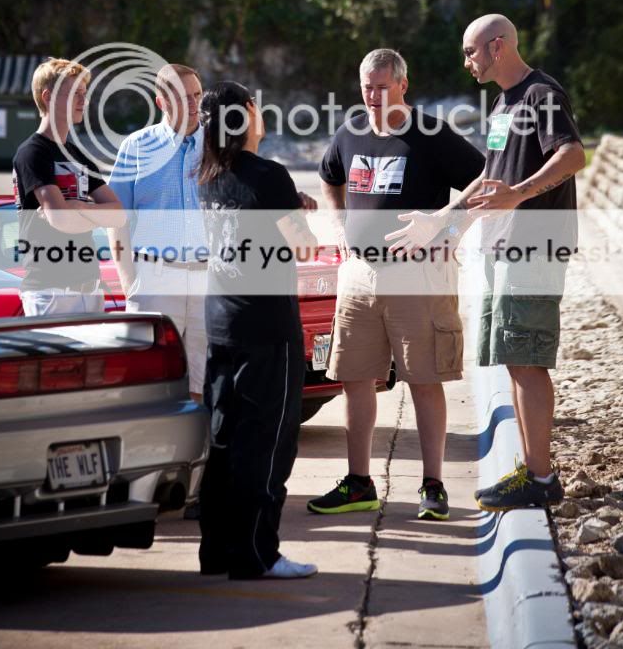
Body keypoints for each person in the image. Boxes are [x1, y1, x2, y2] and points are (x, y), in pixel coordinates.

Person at [388, 15, 585, 511]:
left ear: (497, 47)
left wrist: (518, 195)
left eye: (472, 51)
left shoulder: (542, 94)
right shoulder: (503, 103)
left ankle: (541, 478)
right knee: (515, 358)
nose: (466, 61)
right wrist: (443, 222)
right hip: (503, 247)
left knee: (528, 359)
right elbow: (488, 178)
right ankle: (531, 471)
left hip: (533, 245)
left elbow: (572, 156)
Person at [306, 49, 485, 521]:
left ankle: (433, 486)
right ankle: (359, 483)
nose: (373, 95)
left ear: (404, 84)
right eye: (366, 86)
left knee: (425, 379)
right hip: (359, 276)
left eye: (382, 86)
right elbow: (330, 176)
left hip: (417, 277)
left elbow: (486, 182)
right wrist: (340, 225)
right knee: (354, 378)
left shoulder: (431, 134)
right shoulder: (352, 130)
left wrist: (448, 228)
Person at [196, 81, 318, 580]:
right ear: (248, 114)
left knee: (224, 438)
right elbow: (303, 247)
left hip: (221, 319)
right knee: (266, 442)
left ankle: (218, 551)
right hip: (267, 325)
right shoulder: (270, 175)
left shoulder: (207, 174)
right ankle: (257, 553)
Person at [108, 63, 208, 404]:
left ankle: (200, 457)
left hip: (210, 281)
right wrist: (129, 282)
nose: (194, 104)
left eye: (197, 95)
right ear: (161, 101)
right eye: (183, 97)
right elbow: (117, 219)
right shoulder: (136, 147)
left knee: (204, 383)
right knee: (148, 383)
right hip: (153, 280)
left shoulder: (221, 146)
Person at [13, 58, 125, 315]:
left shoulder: (79, 155)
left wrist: (75, 206)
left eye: (84, 93)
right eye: (74, 93)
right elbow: (61, 220)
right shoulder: (32, 152)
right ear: (48, 96)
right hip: (49, 291)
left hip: (90, 287)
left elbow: (118, 214)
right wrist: (91, 213)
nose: (82, 100)